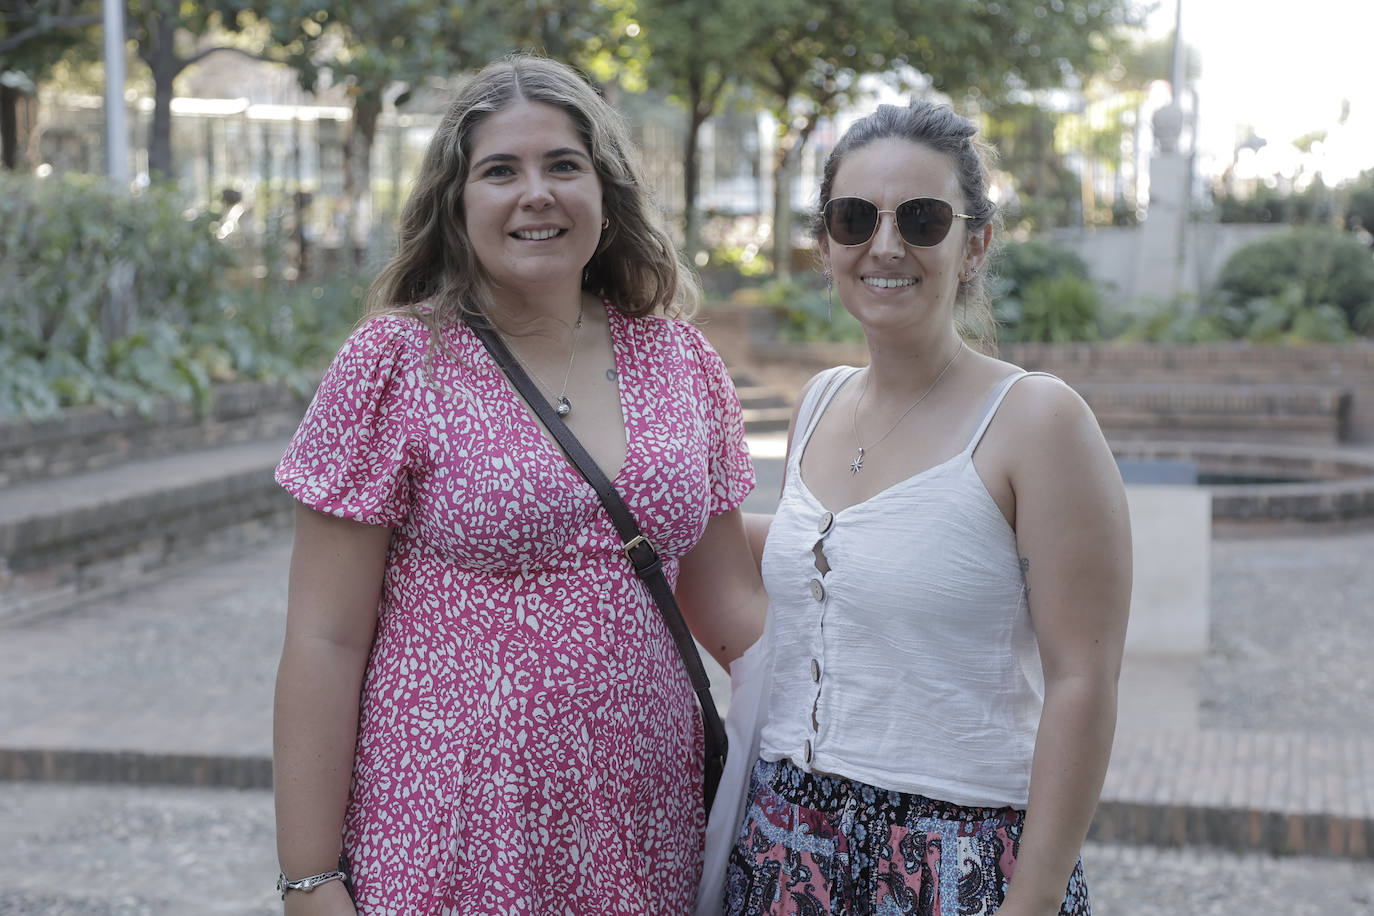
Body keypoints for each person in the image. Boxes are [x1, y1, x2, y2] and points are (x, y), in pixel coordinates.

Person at [272, 53, 765, 915]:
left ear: (606, 192)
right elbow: (324, 640)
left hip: (647, 831)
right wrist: (310, 882)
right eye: (501, 171)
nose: (536, 193)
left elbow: (729, 608)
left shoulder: (681, 360)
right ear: (457, 203)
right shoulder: (396, 361)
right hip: (451, 833)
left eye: (563, 165)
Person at [721, 101, 1132, 915]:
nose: (885, 245)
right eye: (854, 218)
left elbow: (1083, 680)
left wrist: (1033, 897)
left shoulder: (1037, 421)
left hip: (953, 861)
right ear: (826, 243)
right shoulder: (819, 402)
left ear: (974, 243)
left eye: (921, 218)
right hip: (783, 849)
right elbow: (837, 549)